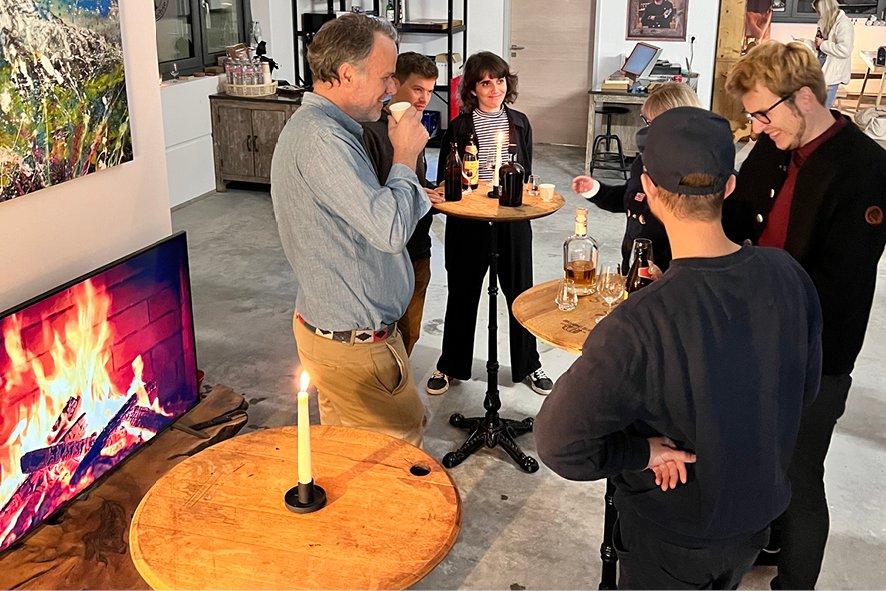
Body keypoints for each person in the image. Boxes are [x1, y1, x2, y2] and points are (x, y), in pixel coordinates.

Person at [535, 107, 823, 590]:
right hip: (755, 520)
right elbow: (804, 391)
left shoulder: (640, 321)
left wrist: (640, 452)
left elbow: (560, 443)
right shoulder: (788, 276)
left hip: (673, 533)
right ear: (729, 186)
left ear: (646, 190)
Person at [724, 40, 886, 589]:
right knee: (754, 457)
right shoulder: (775, 144)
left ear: (807, 98)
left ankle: (793, 583)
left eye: (762, 113)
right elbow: (739, 215)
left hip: (814, 357)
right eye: (750, 115)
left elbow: (835, 288)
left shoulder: (866, 169)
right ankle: (763, 543)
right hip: (751, 337)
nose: (756, 127)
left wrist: (744, 279)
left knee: (797, 475)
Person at [269, 14, 432, 447]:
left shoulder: (330, 132)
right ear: (345, 74)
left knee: (347, 457)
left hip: (338, 334)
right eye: (385, 77)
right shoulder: (324, 140)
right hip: (355, 348)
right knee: (398, 458)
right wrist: (405, 156)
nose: (391, 89)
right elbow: (391, 229)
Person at [425, 51, 553, 397]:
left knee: (520, 293)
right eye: (485, 82)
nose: (494, 87)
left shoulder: (521, 122)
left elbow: (525, 172)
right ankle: (451, 363)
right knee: (463, 292)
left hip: (511, 220)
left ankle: (529, 363)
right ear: (472, 89)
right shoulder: (460, 125)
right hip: (469, 222)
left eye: (499, 80)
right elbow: (446, 180)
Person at [362, 52, 444, 357]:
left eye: (429, 90)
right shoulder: (371, 132)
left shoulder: (415, 125)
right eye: (417, 89)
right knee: (384, 337)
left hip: (419, 247)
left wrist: (435, 191)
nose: (425, 99)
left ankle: (400, 387)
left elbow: (413, 181)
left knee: (411, 331)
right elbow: (375, 198)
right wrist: (423, 194)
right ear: (395, 84)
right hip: (388, 255)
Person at [572, 82, 701, 272]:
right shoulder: (643, 161)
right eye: (645, 121)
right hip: (634, 268)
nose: (647, 132)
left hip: (670, 276)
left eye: (653, 123)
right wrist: (595, 190)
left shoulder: (697, 175)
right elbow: (631, 198)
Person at [814, 0, 854, 108]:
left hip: (833, 71)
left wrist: (822, 44)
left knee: (824, 107)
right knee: (816, 104)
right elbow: (822, 44)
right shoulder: (825, 21)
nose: (817, 14)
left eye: (818, 11)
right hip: (822, 64)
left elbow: (845, 50)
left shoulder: (844, 24)